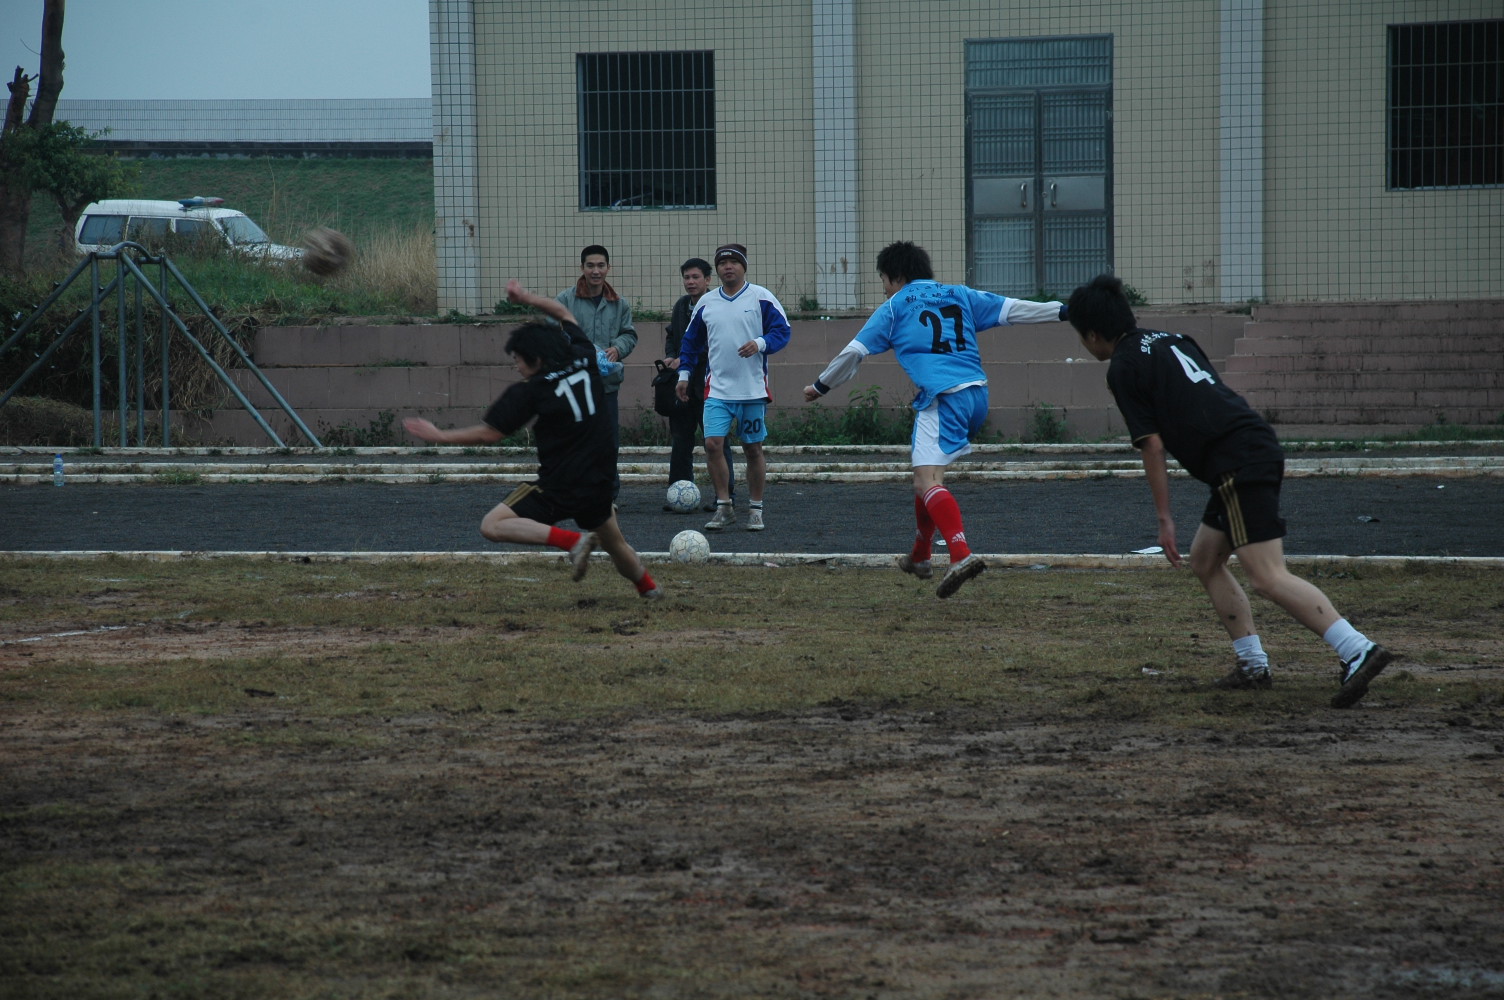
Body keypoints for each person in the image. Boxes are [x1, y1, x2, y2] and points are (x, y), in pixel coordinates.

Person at [1066, 273, 1394, 707]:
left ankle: (1357, 649)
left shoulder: (1123, 366)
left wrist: (1164, 519)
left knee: (1267, 576)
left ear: (1092, 334)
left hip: (1237, 461)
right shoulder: (1173, 339)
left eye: (1081, 337)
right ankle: (1252, 665)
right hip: (1247, 447)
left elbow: (1152, 445)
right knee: (1205, 559)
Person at [803, 240, 1067, 598]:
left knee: (926, 481)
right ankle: (921, 555)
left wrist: (820, 386)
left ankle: (960, 554)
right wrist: (1065, 311)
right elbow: (1015, 309)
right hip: (977, 395)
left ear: (896, 276)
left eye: (883, 280)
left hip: (943, 398)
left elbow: (855, 352)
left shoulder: (896, 305)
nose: (883, 288)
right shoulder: (960, 294)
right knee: (927, 477)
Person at [403, 279, 662, 601]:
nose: (517, 367)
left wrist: (440, 435)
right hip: (599, 480)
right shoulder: (583, 355)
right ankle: (649, 588)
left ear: (536, 360)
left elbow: (490, 433)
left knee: (492, 525)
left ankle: (573, 542)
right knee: (615, 543)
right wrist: (526, 298)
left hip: (559, 485)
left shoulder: (532, 390)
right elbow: (562, 312)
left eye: (518, 360)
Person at [675, 243, 791, 532]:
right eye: (722, 263)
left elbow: (783, 331)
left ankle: (755, 509)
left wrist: (760, 343)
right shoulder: (707, 303)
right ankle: (724, 506)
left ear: (744, 266)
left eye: (734, 262)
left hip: (752, 391)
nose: (728, 267)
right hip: (717, 390)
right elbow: (690, 342)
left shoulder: (761, 297)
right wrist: (683, 375)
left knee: (752, 448)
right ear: (717, 270)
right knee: (712, 444)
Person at [555, 245, 636, 499]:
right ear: (582, 268)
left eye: (601, 265)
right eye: (590, 265)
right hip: (575, 384)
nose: (596, 271)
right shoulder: (564, 301)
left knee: (607, 442)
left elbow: (629, 334)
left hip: (606, 385)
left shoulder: (619, 304)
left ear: (608, 268)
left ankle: (608, 497)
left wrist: (617, 349)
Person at [661, 256, 734, 512]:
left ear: (708, 279)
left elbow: (717, 341)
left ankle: (725, 496)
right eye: (686, 277)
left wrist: (686, 359)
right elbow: (672, 335)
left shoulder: (717, 304)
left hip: (710, 385)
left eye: (695, 277)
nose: (690, 282)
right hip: (682, 386)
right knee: (680, 441)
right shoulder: (681, 306)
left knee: (716, 442)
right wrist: (671, 355)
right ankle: (678, 493)